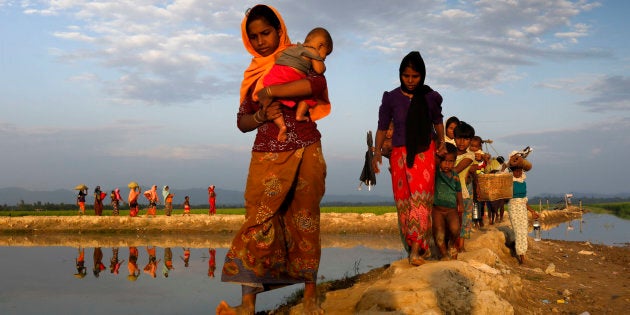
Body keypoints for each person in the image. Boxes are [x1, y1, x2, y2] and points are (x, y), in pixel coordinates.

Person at [217, 5, 328, 315]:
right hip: (267, 151)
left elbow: (317, 85)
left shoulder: (299, 54)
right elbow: (242, 121)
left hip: (306, 146)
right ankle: (247, 306)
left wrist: (273, 89)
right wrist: (262, 113)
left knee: (305, 220)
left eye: (265, 33)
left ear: (279, 30)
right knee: (258, 222)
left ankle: (310, 297)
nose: (260, 41)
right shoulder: (253, 71)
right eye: (253, 37)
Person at [372, 51, 445, 266]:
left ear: (422, 75)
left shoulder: (430, 97)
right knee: (404, 202)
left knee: (420, 200)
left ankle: (415, 250)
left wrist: (441, 141)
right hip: (399, 154)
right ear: (400, 75)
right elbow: (382, 127)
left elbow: (438, 121)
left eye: (415, 76)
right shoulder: (391, 97)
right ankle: (417, 246)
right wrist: (377, 151)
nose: (411, 81)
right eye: (406, 76)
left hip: (424, 151)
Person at [262, 27, 333, 141]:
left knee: (273, 105)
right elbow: (320, 70)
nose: (324, 57)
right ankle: (299, 115)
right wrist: (321, 63)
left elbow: (277, 56)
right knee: (309, 96)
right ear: (320, 46)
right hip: (290, 78)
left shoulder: (293, 48)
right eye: (326, 54)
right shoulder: (312, 51)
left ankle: (282, 126)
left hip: (273, 77)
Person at [432, 143, 463, 260]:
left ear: (454, 161)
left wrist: (460, 204)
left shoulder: (455, 175)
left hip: (452, 209)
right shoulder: (436, 173)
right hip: (437, 209)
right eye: (444, 161)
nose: (447, 164)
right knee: (439, 233)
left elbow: (458, 190)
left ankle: (451, 244)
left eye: (451, 162)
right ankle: (444, 254)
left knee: (455, 229)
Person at [508, 153, 538, 264]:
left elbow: (524, 200)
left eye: (520, 171)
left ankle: (522, 254)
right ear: (512, 171)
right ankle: (521, 255)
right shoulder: (509, 181)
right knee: (518, 231)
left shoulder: (523, 183)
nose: (518, 173)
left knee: (524, 231)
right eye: (516, 171)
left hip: (522, 208)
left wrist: (532, 211)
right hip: (514, 207)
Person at [453, 121, 475, 252]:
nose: (462, 142)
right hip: (449, 192)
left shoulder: (469, 156)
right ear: (454, 138)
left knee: (464, 217)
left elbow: (455, 169)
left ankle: (461, 245)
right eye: (459, 138)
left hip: (463, 191)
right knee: (452, 218)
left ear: (470, 141)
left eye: (466, 139)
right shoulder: (450, 152)